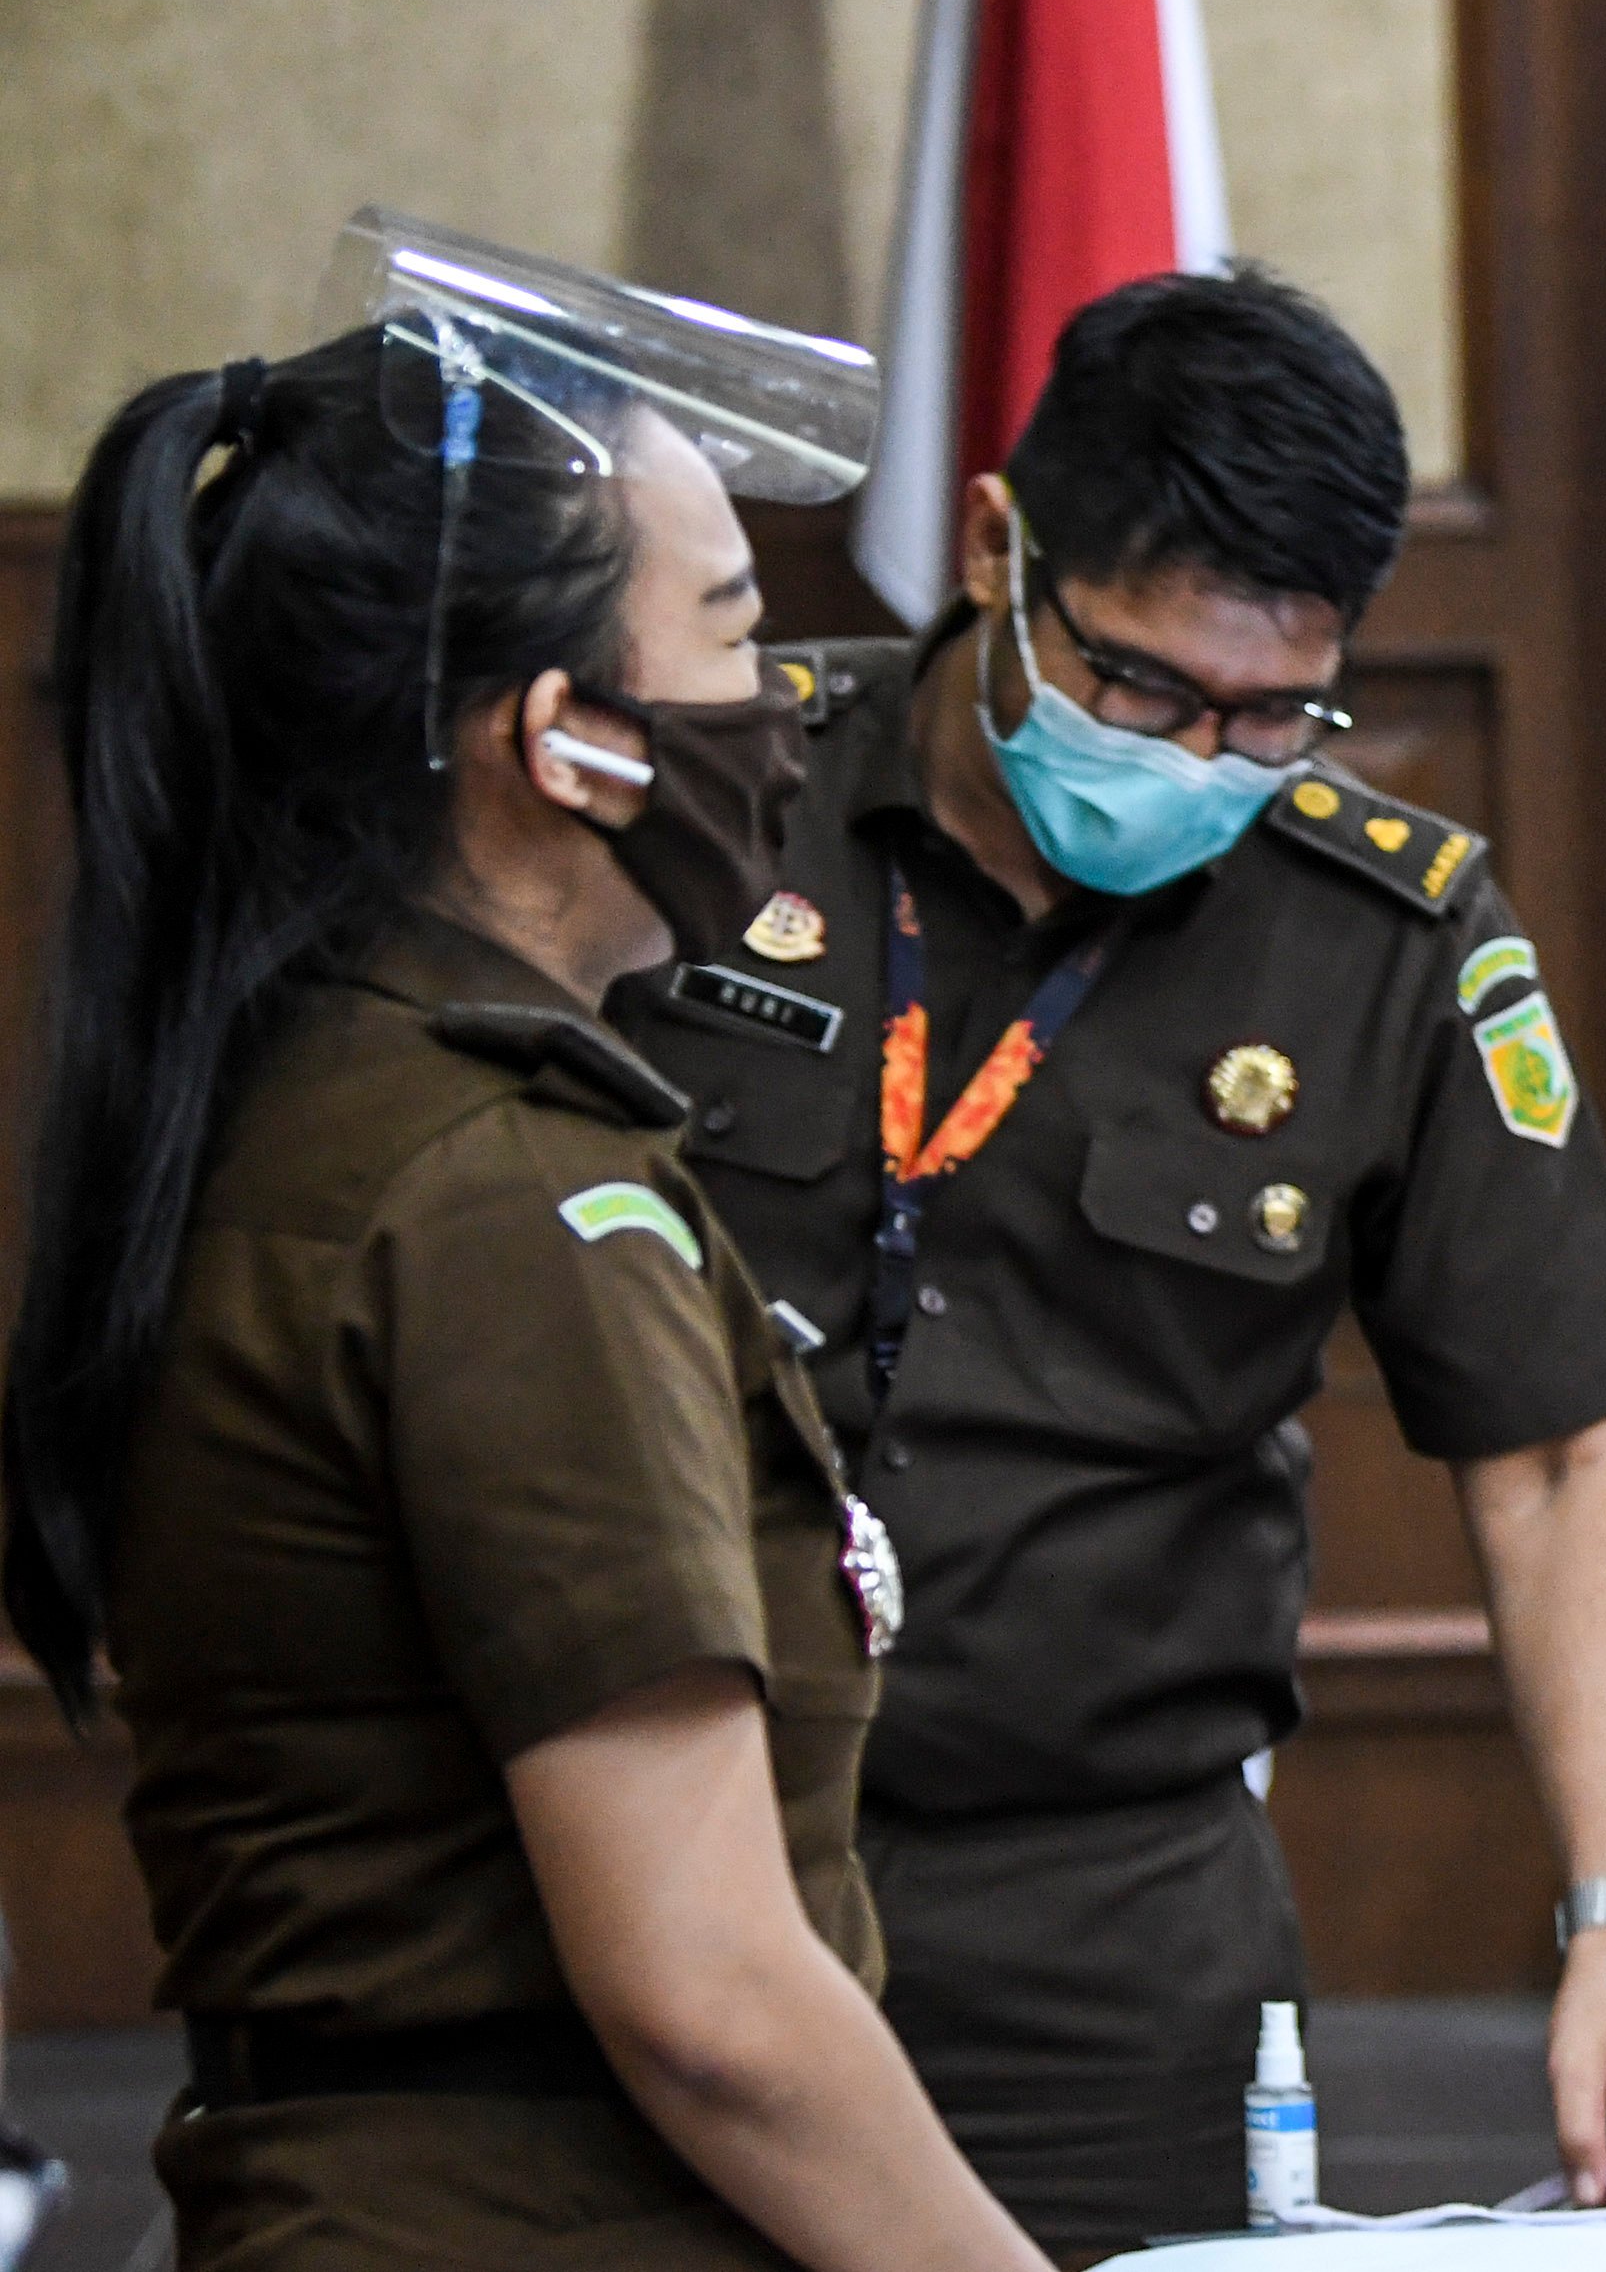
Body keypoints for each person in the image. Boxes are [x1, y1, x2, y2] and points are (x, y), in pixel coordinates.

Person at [610, 265, 1606, 2259]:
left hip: (1097, 1928)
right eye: (1142, 686)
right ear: (991, 548)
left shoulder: (1381, 933)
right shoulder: (713, 801)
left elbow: (1559, 1453)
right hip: (657, 1851)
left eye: (1273, 707)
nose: (1203, 756)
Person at [2, 228, 1050, 2267]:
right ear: (564, 739)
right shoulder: (504, 1191)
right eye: (735, 633)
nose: (785, 707)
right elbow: (715, 2001)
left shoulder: (331, 1086)